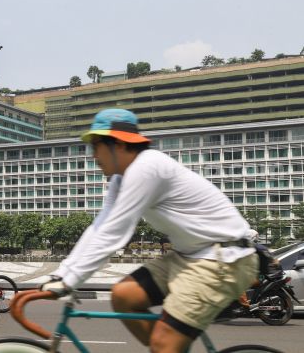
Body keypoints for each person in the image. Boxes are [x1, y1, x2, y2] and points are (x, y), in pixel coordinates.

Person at [39, 108, 258, 353]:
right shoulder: (120, 179)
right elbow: (100, 226)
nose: (93, 155)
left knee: (164, 345)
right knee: (124, 296)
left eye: (96, 145)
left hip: (223, 259)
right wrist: (62, 274)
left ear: (118, 144)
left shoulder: (147, 167)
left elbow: (116, 232)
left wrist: (69, 280)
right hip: (189, 256)